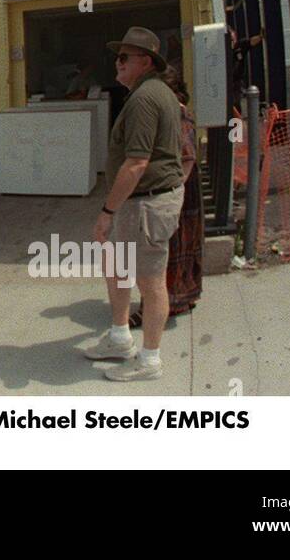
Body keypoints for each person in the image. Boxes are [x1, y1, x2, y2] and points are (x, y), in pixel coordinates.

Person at [81, 26, 184, 382]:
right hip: (142, 203)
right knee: (117, 264)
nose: (117, 64)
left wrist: (107, 212)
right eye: (118, 57)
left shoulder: (144, 99)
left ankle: (150, 359)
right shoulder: (155, 93)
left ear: (145, 62)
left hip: (145, 205)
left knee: (150, 281)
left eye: (124, 58)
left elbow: (137, 162)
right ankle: (120, 337)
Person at [130, 66, 202, 326]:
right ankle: (181, 298)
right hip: (175, 188)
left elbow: (187, 157)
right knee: (176, 249)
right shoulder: (170, 112)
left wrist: (172, 192)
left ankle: (155, 308)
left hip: (173, 189)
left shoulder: (178, 114)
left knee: (163, 253)